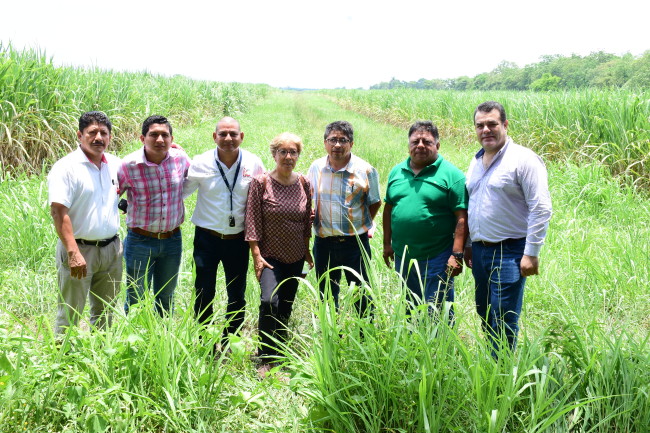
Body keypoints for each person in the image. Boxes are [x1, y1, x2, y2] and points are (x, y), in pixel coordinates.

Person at [465, 101, 552, 354]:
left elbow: (541, 207)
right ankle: (494, 363)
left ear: (505, 124)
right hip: (480, 252)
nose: (486, 130)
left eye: (492, 124)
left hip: (510, 252)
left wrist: (531, 253)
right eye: (480, 125)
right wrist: (470, 245)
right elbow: (473, 205)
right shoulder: (476, 161)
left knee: (503, 316)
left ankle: (502, 376)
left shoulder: (523, 159)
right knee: (484, 310)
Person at [184, 117, 265, 347]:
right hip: (206, 238)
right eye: (223, 134)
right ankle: (203, 340)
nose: (228, 138)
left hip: (238, 240)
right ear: (214, 136)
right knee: (203, 291)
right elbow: (179, 192)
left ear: (241, 136)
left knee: (237, 293)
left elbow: (263, 198)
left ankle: (231, 340)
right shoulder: (201, 162)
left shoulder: (253, 162)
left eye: (233, 134)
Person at [382, 121, 468, 320]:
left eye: (427, 141)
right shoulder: (397, 172)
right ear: (409, 145)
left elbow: (462, 218)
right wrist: (387, 244)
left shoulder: (452, 175)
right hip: (404, 256)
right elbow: (389, 209)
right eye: (415, 141)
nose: (420, 145)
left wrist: (456, 254)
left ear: (437, 145)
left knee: (437, 311)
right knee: (410, 307)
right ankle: (414, 346)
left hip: (437, 256)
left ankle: (440, 348)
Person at [245, 132, 313, 376]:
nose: (288, 156)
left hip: (295, 255)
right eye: (282, 152)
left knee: (286, 303)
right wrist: (256, 254)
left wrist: (307, 251)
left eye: (293, 152)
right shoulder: (260, 182)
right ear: (274, 154)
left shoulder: (304, 183)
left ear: (298, 155)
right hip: (269, 256)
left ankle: (279, 350)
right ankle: (264, 355)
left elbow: (307, 220)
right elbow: (251, 219)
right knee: (268, 302)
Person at [48, 111, 122, 333]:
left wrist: (173, 150)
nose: (98, 137)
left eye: (104, 133)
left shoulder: (116, 165)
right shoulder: (67, 167)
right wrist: (72, 252)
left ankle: (100, 355)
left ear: (110, 137)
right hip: (79, 250)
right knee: (70, 311)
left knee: (106, 310)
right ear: (80, 135)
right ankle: (62, 360)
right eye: (92, 132)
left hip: (111, 250)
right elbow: (58, 211)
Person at [117, 115, 190, 316]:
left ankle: (162, 339)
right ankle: (134, 343)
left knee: (166, 296)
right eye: (153, 135)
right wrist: (123, 204)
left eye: (164, 135)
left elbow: (197, 179)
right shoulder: (128, 165)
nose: (159, 140)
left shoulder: (181, 159)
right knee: (135, 297)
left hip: (172, 240)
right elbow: (109, 194)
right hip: (139, 240)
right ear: (142, 138)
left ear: (172, 138)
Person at [307, 121, 381, 315]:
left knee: (361, 293)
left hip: (355, 243)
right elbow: (308, 199)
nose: (337, 145)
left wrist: (362, 224)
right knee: (327, 294)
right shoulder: (316, 168)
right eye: (332, 140)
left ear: (351, 144)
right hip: (324, 242)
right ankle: (332, 335)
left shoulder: (365, 170)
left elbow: (375, 202)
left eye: (343, 140)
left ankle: (365, 336)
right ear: (325, 143)